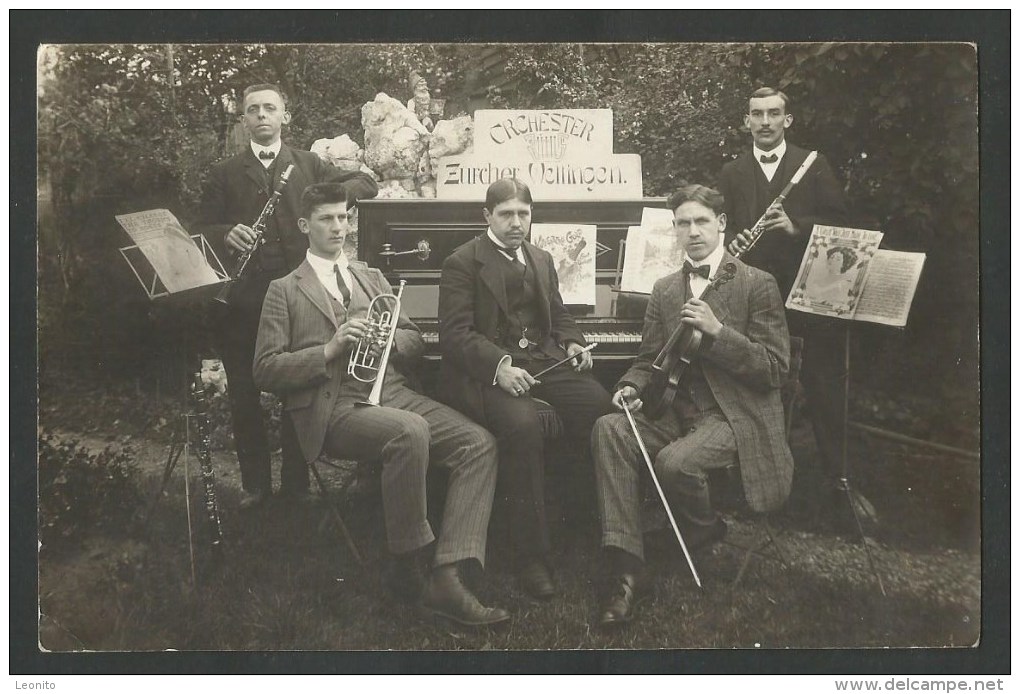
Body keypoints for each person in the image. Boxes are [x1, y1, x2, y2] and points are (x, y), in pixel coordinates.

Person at [252, 183, 508, 627]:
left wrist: (387, 337)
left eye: (344, 218)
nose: (338, 227)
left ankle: (448, 572)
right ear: (303, 225)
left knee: (478, 443)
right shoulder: (284, 290)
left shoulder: (370, 277)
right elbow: (265, 369)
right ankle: (409, 569)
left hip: (393, 393)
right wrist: (329, 350)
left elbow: (410, 339)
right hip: (335, 409)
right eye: (327, 219)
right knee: (409, 432)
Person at [591, 184, 793, 627]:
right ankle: (627, 567)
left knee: (675, 463)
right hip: (674, 410)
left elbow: (775, 368)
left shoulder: (757, 283)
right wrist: (631, 386)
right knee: (610, 428)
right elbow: (648, 360)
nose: (693, 231)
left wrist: (719, 332)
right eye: (683, 223)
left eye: (702, 221)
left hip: (734, 414)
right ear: (675, 230)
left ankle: (702, 529)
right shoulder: (665, 290)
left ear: (722, 224)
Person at [197, 83, 378, 508]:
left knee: (300, 386)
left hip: (300, 299)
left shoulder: (308, 164)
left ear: (285, 117)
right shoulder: (223, 173)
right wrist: (226, 233)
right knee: (244, 392)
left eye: (270, 109)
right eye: (253, 110)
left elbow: (365, 182)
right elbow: (199, 229)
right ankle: (255, 486)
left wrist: (330, 198)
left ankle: (296, 485)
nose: (262, 116)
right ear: (243, 120)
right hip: (242, 302)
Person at [438, 178, 612, 600]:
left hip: (544, 361)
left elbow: (557, 311)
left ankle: (591, 523)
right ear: (487, 217)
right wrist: (499, 367)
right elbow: (454, 335)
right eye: (506, 214)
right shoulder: (461, 263)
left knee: (601, 408)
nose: (517, 223)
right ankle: (530, 556)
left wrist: (571, 340)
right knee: (523, 425)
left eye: (524, 214)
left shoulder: (541, 256)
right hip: (488, 372)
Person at [717, 86, 851, 499]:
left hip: (809, 292)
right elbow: (723, 226)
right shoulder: (731, 172)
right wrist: (733, 241)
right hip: (754, 296)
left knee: (824, 383)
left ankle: (839, 481)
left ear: (787, 120)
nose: (765, 122)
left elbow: (842, 221)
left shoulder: (813, 164)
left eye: (774, 114)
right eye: (757, 115)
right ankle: (752, 481)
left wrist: (797, 227)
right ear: (747, 122)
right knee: (751, 381)